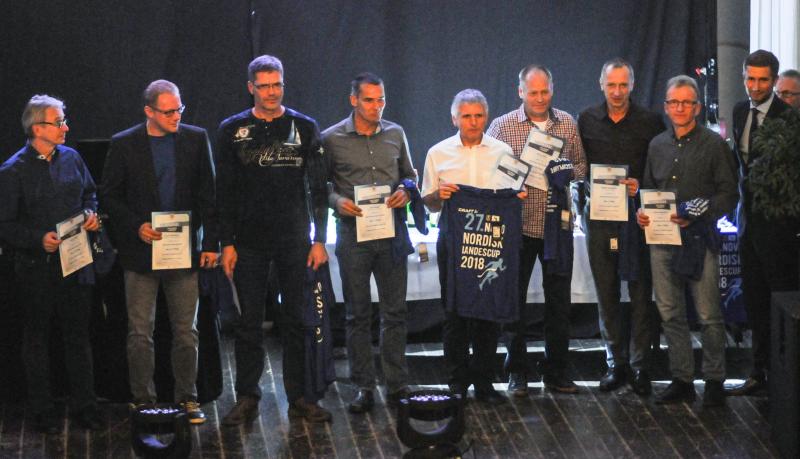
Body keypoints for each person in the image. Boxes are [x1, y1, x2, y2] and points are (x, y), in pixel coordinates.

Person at [216, 55, 331, 424]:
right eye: (264, 86)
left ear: (284, 84)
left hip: (294, 239)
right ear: (251, 87)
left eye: (276, 84)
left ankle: (299, 395)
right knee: (248, 322)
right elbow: (224, 191)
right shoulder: (232, 130)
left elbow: (319, 187)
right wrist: (226, 243)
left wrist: (319, 239)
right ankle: (247, 395)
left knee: (296, 319)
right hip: (247, 242)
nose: (271, 92)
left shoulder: (305, 126)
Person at [100, 80, 218, 424]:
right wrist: (136, 226)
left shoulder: (196, 139)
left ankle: (188, 398)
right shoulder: (125, 143)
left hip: (183, 250)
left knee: (186, 331)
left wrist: (210, 244)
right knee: (140, 332)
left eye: (179, 109)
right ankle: (142, 400)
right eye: (168, 112)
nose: (176, 116)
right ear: (148, 111)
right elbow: (109, 195)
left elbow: (209, 196)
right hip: (141, 252)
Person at [0, 95, 102, 433]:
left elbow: (90, 194)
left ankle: (86, 406)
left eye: (63, 120)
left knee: (78, 337)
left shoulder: (72, 158)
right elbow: (5, 225)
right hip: (36, 269)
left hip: (76, 263)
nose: (65, 127)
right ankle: (42, 410)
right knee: (37, 340)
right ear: (37, 128)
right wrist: (37, 239)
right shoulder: (13, 170)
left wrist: (90, 213)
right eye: (59, 122)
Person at [637, 75, 738, 406]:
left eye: (686, 102)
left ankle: (714, 381)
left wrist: (696, 211)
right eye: (673, 102)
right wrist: (643, 213)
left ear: (697, 107)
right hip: (661, 238)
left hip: (700, 238)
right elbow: (649, 190)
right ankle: (682, 379)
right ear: (666, 107)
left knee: (708, 314)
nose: (679, 108)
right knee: (669, 313)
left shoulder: (714, 144)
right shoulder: (656, 145)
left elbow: (729, 194)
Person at [487, 64, 587, 396]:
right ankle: (517, 371)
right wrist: (510, 184)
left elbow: (582, 166)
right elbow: (490, 172)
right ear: (521, 92)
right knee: (512, 303)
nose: (540, 98)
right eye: (533, 92)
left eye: (545, 92)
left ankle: (556, 370)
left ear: (552, 90)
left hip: (557, 226)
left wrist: (566, 171)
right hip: (517, 226)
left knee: (559, 303)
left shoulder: (567, 123)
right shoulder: (502, 126)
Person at [422, 89, 525, 404]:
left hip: (491, 242)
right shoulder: (438, 153)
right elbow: (428, 202)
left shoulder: (503, 151)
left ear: (486, 117)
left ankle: (484, 382)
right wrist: (438, 195)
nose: (473, 121)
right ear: (454, 118)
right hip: (453, 242)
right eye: (466, 116)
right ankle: (456, 382)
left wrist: (516, 198)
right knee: (454, 314)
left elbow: (514, 193)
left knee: (487, 315)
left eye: (478, 115)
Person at [323, 72, 416, 413]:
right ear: (354, 100)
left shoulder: (396, 133)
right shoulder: (331, 138)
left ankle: (397, 383)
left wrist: (406, 190)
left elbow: (410, 175)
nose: (377, 106)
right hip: (353, 234)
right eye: (369, 100)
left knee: (395, 312)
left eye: (381, 100)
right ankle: (363, 386)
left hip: (391, 232)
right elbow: (319, 185)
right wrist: (337, 201)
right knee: (357, 314)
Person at [577, 58, 665, 395]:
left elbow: (660, 168)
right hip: (599, 217)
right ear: (601, 84)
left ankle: (641, 366)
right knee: (606, 291)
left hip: (637, 217)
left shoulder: (650, 121)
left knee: (641, 292)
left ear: (632, 85)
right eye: (611, 85)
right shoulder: (586, 119)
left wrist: (640, 185)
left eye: (623, 85)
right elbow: (578, 167)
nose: (617, 92)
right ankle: (616, 363)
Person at [726, 50, 798, 396]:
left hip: (779, 227)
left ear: (774, 80)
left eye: (763, 80)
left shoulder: (790, 118)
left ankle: (784, 376)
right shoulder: (740, 111)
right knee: (753, 299)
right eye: (750, 79)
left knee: (780, 300)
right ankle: (758, 371)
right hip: (747, 223)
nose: (755, 86)